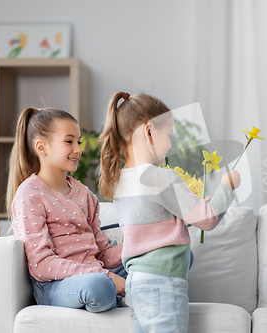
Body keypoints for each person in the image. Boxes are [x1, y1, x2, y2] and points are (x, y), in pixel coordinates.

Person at [98, 92, 241, 333]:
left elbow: (154, 223)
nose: (171, 144)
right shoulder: (162, 177)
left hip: (136, 284)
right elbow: (208, 219)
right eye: (169, 135)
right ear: (149, 131)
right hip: (163, 284)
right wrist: (228, 186)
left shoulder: (119, 182)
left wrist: (189, 212)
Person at [7, 107, 126, 313]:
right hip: (56, 284)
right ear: (41, 147)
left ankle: (123, 292)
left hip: (97, 272)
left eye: (78, 142)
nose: (78, 149)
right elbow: (42, 265)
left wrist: (144, 243)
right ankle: (122, 293)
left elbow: (103, 254)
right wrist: (105, 276)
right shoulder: (30, 194)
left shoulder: (85, 194)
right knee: (99, 286)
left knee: (169, 256)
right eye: (69, 141)